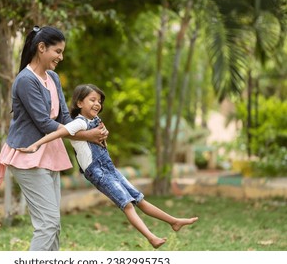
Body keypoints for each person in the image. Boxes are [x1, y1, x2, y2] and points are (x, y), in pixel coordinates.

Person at [17, 84, 199, 249]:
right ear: (80, 102)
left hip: (109, 168)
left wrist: (103, 135)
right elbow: (57, 133)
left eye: (99, 101)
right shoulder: (78, 123)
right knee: (127, 204)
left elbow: (101, 141)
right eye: (92, 100)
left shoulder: (97, 121)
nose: (97, 104)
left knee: (139, 199)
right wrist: (36, 144)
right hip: (96, 171)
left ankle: (174, 221)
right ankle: (151, 237)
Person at [0, 26, 109, 251]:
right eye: (57, 51)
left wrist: (92, 126)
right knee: (48, 224)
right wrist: (88, 136)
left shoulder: (52, 78)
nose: (61, 57)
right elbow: (44, 124)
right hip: (28, 156)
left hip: (49, 155)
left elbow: (64, 117)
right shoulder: (26, 80)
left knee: (53, 226)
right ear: (41, 48)